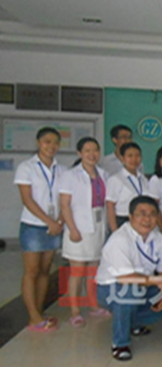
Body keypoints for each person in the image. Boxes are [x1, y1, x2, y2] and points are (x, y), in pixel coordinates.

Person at [95, 196, 162, 361]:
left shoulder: (157, 238)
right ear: (131, 216)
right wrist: (157, 282)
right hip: (111, 288)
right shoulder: (119, 239)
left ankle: (131, 323)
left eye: (152, 214)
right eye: (142, 214)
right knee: (129, 293)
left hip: (142, 285)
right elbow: (124, 278)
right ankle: (120, 343)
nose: (147, 219)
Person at [14, 127, 67, 332]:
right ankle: (33, 317)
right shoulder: (26, 167)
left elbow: (65, 198)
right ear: (38, 143)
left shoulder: (61, 170)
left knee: (45, 271)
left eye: (55, 142)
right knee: (32, 272)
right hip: (33, 226)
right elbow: (27, 200)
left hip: (55, 226)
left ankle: (38, 311)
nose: (51, 146)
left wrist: (59, 221)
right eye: (47, 141)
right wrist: (49, 221)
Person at [59, 137, 110, 327]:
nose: (92, 154)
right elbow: (64, 205)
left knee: (93, 270)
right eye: (87, 151)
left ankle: (93, 305)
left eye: (95, 150)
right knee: (77, 270)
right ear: (79, 153)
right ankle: (75, 311)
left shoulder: (104, 174)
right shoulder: (70, 175)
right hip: (78, 227)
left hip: (98, 226)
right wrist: (72, 228)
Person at [106, 142, 149, 232]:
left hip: (142, 220)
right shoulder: (115, 179)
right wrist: (115, 230)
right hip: (123, 220)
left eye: (137, 155)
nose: (134, 159)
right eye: (130, 156)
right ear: (122, 158)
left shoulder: (143, 179)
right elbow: (110, 206)